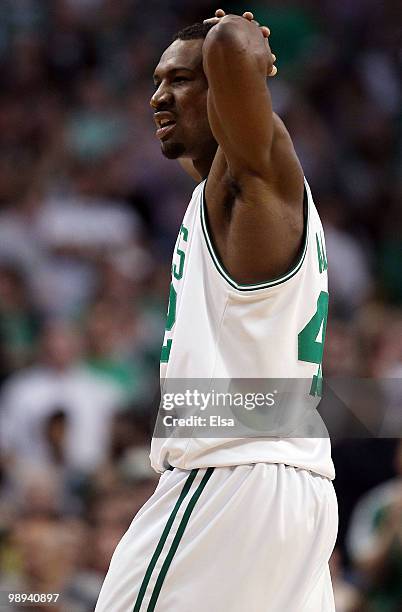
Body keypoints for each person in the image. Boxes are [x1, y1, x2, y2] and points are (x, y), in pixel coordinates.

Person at [96, 9, 338, 611]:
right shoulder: (227, 195)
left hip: (228, 478)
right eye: (156, 82)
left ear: (225, 91)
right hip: (293, 484)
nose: (158, 98)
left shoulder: (255, 184)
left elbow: (231, 41)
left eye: (179, 80)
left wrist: (236, 36)